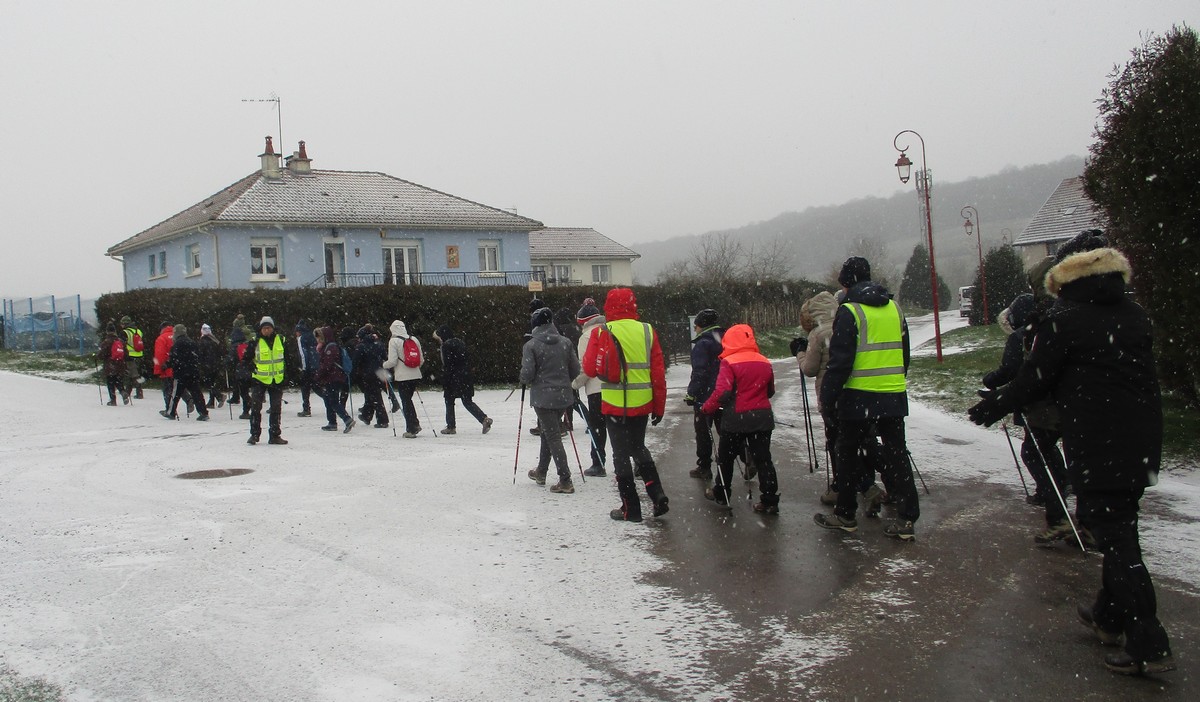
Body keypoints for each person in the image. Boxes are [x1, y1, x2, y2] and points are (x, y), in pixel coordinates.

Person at [968, 230, 1173, 675]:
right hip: (1140, 439)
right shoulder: (1135, 314)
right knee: (1119, 526)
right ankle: (1108, 616)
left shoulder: (1065, 319)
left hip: (1098, 441)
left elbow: (1035, 378)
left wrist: (995, 403)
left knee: (1115, 537)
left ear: (1066, 276)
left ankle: (1148, 640)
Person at [814, 256, 918, 540]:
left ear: (846, 284)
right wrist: (895, 381)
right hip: (893, 393)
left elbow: (840, 362)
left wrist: (828, 399)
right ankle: (907, 518)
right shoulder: (894, 308)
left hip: (858, 396)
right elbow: (904, 352)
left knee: (846, 453)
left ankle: (846, 514)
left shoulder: (850, 311)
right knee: (897, 455)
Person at [981, 292, 1072, 542]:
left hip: (1041, 406)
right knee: (1047, 449)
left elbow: (1011, 370)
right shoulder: (1052, 328)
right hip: (1065, 402)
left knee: (1034, 452)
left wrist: (990, 381)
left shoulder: (1021, 337)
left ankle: (1057, 510)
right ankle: (1063, 487)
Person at [582, 287, 669, 523]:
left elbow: (589, 369)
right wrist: (659, 406)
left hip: (614, 404)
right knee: (639, 448)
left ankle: (631, 508)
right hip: (642, 403)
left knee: (620, 455)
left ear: (608, 307)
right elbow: (658, 374)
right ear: (633, 305)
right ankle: (657, 494)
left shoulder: (602, 331)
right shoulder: (647, 331)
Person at [800, 290, 886, 513]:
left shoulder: (818, 334)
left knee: (839, 445)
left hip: (831, 395)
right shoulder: (848, 323)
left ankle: (856, 488)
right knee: (860, 442)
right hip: (857, 392)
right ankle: (885, 481)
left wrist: (800, 354)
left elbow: (810, 369)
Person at [700, 323, 780, 513]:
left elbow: (722, 392)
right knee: (764, 459)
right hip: (762, 417)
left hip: (736, 418)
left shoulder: (729, 362)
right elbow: (770, 391)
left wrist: (707, 408)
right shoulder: (764, 361)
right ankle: (769, 500)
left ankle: (722, 493)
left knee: (725, 458)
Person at [521, 307, 581, 494]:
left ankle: (565, 479)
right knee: (548, 433)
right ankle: (541, 471)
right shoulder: (565, 342)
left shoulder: (531, 345)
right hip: (563, 396)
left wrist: (524, 378)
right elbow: (575, 370)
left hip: (543, 398)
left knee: (553, 436)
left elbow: (527, 374)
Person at [685, 308, 723, 480]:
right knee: (727, 432)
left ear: (702, 325)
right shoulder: (726, 339)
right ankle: (744, 458)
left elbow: (700, 372)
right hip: (724, 392)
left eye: (696, 326)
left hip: (705, 396)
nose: (695, 329)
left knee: (703, 432)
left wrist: (691, 393)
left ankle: (704, 466)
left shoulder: (702, 344)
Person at [571, 298, 608, 476]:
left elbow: (586, 367)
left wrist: (574, 384)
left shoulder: (586, 336)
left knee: (597, 427)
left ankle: (598, 462)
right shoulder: (610, 330)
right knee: (619, 428)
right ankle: (635, 460)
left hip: (596, 388)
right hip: (615, 386)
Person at [432, 325, 493, 435]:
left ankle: (451, 426)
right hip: (466, 376)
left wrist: (443, 378)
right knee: (467, 401)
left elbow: (448, 365)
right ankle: (484, 419)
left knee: (449, 400)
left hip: (454, 378)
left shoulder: (446, 346)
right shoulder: (460, 342)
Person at [244, 316, 287, 445]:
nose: (267, 330)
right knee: (256, 408)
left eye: (269, 328)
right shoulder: (255, 342)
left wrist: (287, 374)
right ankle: (254, 434)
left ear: (273, 328)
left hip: (277, 379)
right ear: (260, 329)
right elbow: (246, 359)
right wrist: (251, 368)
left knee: (276, 408)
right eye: (264, 328)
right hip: (259, 379)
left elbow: (288, 358)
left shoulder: (281, 339)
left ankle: (274, 435)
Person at [382, 319, 424, 438]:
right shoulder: (414, 339)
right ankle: (414, 424)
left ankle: (412, 428)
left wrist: (383, 365)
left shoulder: (393, 341)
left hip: (402, 376)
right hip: (416, 374)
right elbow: (421, 360)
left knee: (406, 402)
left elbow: (392, 361)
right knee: (408, 400)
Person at [162, 325, 210, 421]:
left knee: (175, 394)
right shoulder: (192, 342)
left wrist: (166, 365)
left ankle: (171, 412)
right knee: (197, 393)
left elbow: (174, 358)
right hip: (193, 372)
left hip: (180, 373)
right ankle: (203, 412)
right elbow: (198, 356)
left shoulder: (177, 344)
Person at [315, 325, 355, 433]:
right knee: (328, 400)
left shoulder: (330, 348)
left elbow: (326, 365)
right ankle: (332, 422)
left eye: (319, 337)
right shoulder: (328, 346)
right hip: (332, 377)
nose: (317, 340)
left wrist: (318, 376)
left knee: (333, 401)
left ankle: (347, 419)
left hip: (333, 378)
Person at [354, 325, 389, 428]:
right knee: (371, 394)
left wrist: (353, 373)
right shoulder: (379, 344)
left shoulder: (361, 346)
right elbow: (385, 357)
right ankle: (366, 415)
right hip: (379, 372)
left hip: (368, 374)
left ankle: (382, 420)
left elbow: (355, 361)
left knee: (375, 396)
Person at [197, 323, 227, 409]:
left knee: (209, 383)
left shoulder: (202, 342)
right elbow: (221, 352)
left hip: (207, 365)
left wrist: (200, 363)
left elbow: (200, 354)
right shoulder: (215, 341)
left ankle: (219, 396)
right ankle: (211, 401)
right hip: (216, 365)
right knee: (212, 382)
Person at [294, 319, 319, 417]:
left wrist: (304, 368)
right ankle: (331, 403)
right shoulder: (312, 336)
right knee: (317, 387)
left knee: (305, 388)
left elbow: (303, 354)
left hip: (308, 367)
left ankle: (306, 408)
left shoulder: (301, 339)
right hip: (316, 365)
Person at [99, 322, 128, 406]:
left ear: (107, 331)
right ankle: (123, 392)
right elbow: (126, 353)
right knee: (118, 381)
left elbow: (102, 354)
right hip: (120, 365)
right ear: (115, 331)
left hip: (110, 365)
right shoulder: (120, 341)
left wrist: (97, 356)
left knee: (110, 382)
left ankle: (113, 400)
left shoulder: (106, 342)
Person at [117, 315, 146, 399]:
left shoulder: (124, 332)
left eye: (122, 323)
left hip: (130, 355)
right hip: (139, 355)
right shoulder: (138, 331)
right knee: (133, 374)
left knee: (134, 375)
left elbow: (121, 344)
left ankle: (139, 393)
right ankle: (128, 391)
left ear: (124, 324)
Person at [230, 324, 254, 419]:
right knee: (248, 391)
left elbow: (231, 360)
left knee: (244, 393)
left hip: (240, 372)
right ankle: (251, 407)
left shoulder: (234, 347)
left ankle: (246, 410)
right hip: (251, 371)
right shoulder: (247, 345)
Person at [227, 314, 247, 405]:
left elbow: (231, 358)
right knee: (244, 385)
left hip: (237, 366)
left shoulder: (234, 345)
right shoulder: (244, 343)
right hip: (244, 366)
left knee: (236, 381)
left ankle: (237, 397)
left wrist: (227, 361)